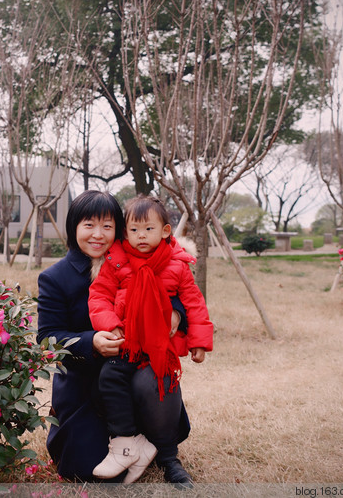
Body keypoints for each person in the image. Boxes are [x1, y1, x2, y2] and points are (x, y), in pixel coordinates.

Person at [36, 190, 194, 484]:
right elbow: (47, 338)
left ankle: (164, 452)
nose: (98, 235)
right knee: (85, 472)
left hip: (133, 373)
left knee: (153, 375)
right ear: (74, 227)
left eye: (107, 226)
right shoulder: (55, 278)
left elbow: (178, 289)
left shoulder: (136, 258)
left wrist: (176, 312)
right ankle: (135, 441)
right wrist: (90, 341)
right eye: (89, 225)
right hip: (85, 386)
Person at [88, 195, 214, 482]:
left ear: (165, 231)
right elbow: (99, 296)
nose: (141, 236)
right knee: (109, 378)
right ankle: (126, 442)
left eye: (148, 229)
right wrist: (110, 325)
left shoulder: (178, 265)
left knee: (161, 384)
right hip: (128, 344)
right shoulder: (116, 262)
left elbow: (194, 303)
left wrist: (199, 341)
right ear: (125, 232)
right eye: (133, 230)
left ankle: (169, 458)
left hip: (160, 347)